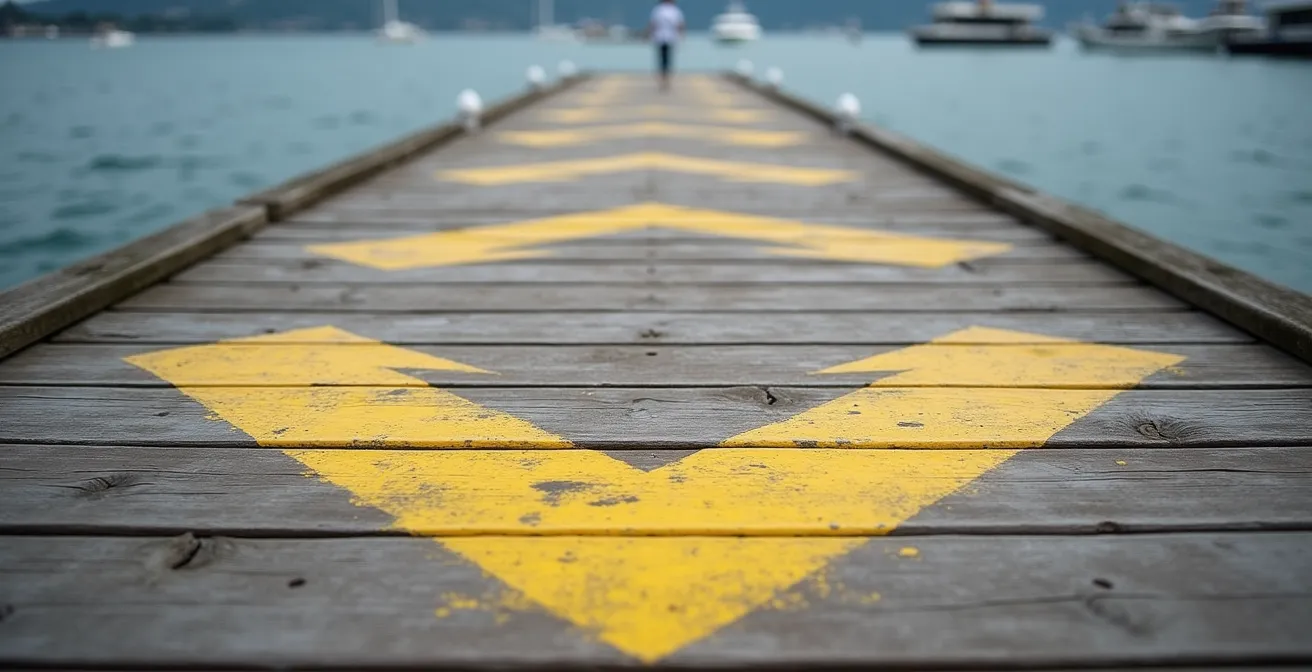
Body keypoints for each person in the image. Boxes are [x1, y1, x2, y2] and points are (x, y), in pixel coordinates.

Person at [649, 0, 685, 91]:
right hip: (670, 38)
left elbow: (653, 24)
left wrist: (650, 34)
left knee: (662, 59)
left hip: (660, 37)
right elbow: (680, 24)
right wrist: (681, 35)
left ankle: (663, 79)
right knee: (668, 59)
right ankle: (666, 79)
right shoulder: (675, 11)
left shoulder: (658, 10)